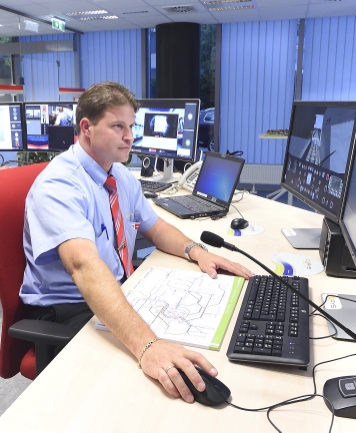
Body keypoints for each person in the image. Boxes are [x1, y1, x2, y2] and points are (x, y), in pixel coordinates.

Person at [21, 82, 254, 403]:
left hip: (116, 290)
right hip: (71, 308)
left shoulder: (120, 176)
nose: (130, 136)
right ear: (86, 128)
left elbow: (156, 228)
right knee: (151, 391)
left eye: (131, 126)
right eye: (118, 126)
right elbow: (84, 267)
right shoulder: (59, 185)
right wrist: (148, 346)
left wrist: (197, 252)